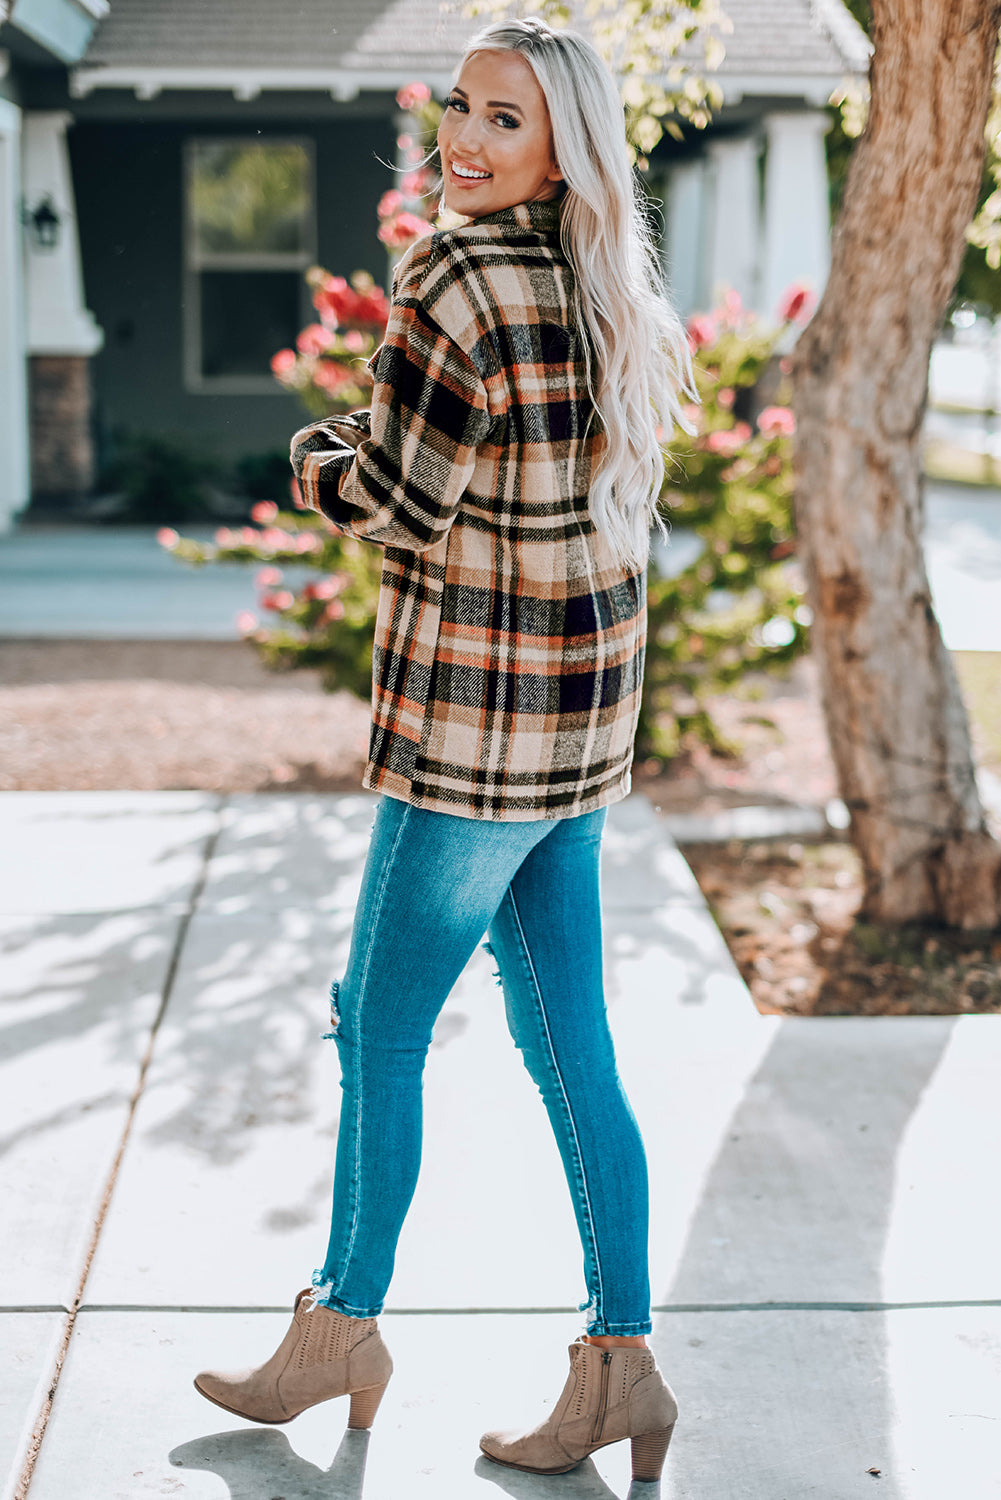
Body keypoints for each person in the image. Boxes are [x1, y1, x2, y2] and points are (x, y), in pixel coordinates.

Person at [193, 14, 697, 1484]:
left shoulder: (455, 271)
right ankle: (621, 1363)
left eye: (504, 122)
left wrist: (311, 455)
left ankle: (340, 1328)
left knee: (381, 1027)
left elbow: (396, 504)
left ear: (561, 148)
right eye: (461, 110)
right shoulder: (600, 284)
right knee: (569, 1049)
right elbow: (501, 469)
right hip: (578, 736)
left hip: (471, 740)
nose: (464, 143)